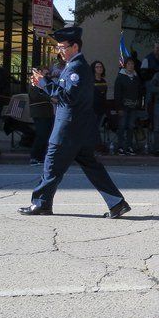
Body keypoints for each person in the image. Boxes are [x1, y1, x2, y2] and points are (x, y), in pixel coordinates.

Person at [19, 26, 130, 218]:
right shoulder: (73, 66)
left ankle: (41, 203)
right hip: (78, 128)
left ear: (75, 46)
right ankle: (117, 203)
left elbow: (68, 97)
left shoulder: (76, 68)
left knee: (52, 164)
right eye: (59, 47)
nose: (59, 51)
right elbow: (66, 95)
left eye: (62, 47)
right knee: (91, 166)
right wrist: (43, 84)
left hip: (68, 128)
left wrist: (44, 83)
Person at [114, 57, 143, 155]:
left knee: (131, 126)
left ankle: (129, 146)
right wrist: (119, 108)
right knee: (122, 126)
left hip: (133, 107)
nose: (131, 66)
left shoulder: (136, 77)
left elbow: (139, 91)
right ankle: (120, 147)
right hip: (123, 107)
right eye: (129, 64)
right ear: (125, 65)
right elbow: (117, 94)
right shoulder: (120, 77)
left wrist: (139, 102)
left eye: (132, 64)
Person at [28, 76, 54, 165]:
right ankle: (34, 157)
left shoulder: (48, 81)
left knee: (46, 135)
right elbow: (35, 95)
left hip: (48, 112)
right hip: (38, 112)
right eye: (44, 71)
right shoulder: (34, 81)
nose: (47, 73)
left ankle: (41, 157)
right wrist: (50, 98)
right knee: (41, 134)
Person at [91, 60, 108, 151]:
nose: (99, 69)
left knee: (96, 127)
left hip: (101, 109)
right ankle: (97, 146)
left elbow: (104, 95)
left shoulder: (103, 81)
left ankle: (97, 146)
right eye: (97, 67)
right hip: (92, 108)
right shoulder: (90, 81)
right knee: (93, 128)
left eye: (101, 67)